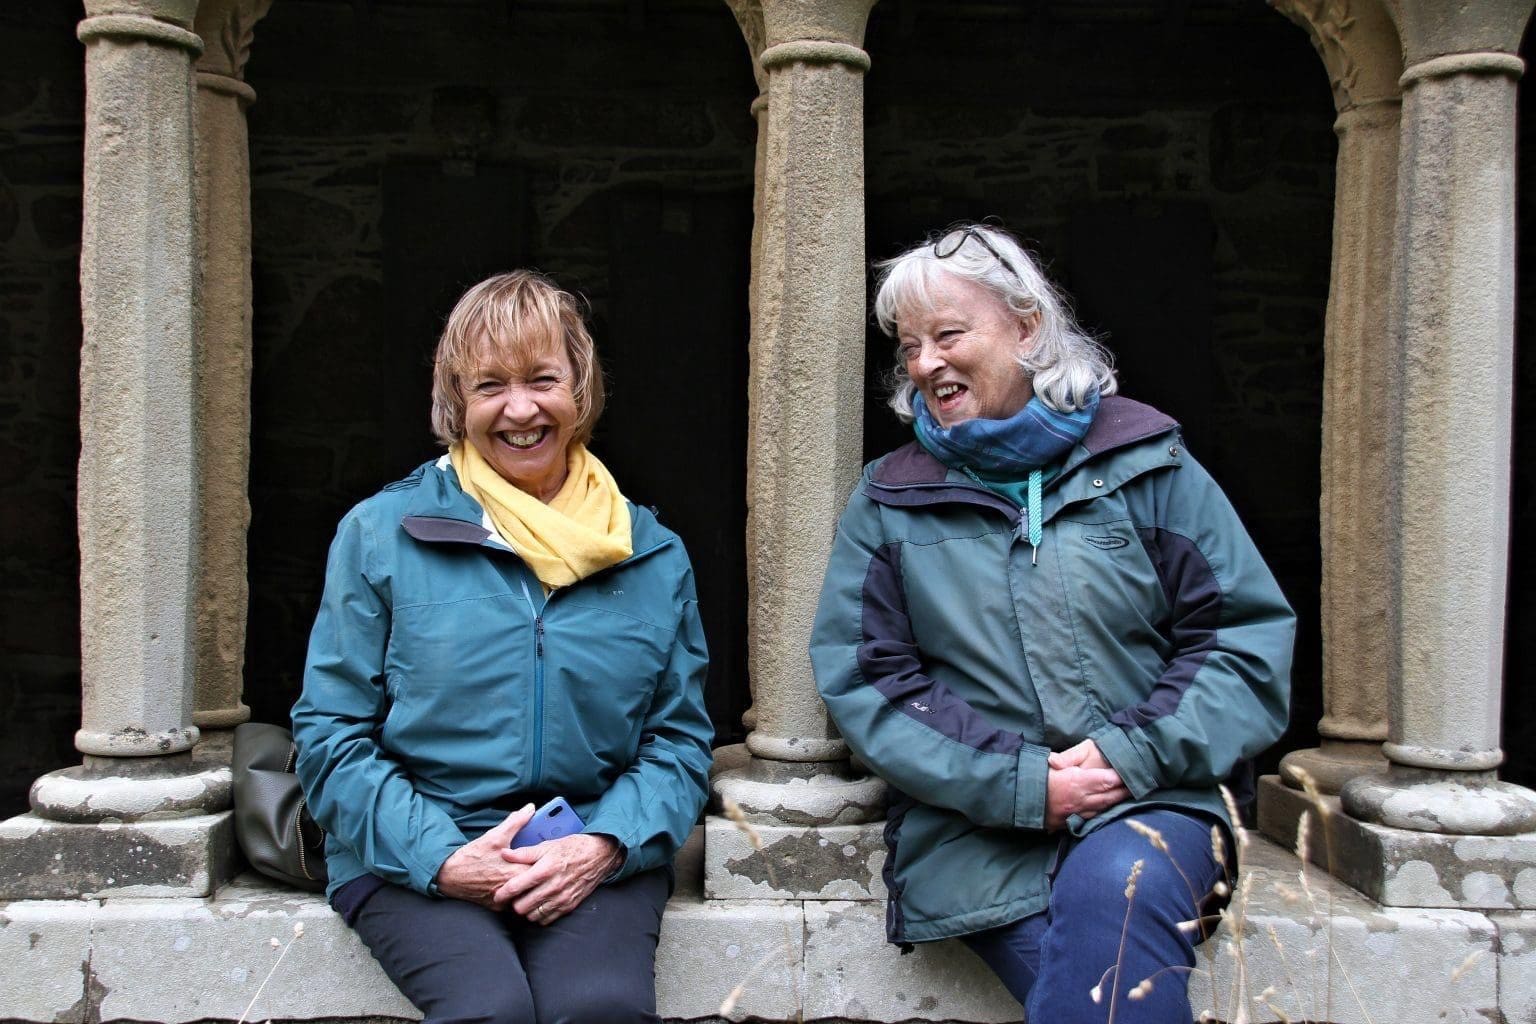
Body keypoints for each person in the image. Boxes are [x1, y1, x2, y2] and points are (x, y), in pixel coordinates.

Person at [810, 224, 1294, 1022]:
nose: (926, 363)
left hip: (1151, 799)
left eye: (948, 334)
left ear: (1028, 327)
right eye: (910, 347)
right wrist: (1028, 784)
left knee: (1112, 898)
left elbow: (1241, 643)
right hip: (976, 832)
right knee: (1101, 988)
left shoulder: (1149, 464)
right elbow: (869, 680)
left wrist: (1126, 754)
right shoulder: (890, 499)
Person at [291, 270, 713, 1024]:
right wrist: (441, 858)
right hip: (412, 843)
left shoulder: (652, 552)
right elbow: (330, 735)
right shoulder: (382, 534)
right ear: (456, 403)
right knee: (489, 1009)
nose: (520, 409)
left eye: (543, 379)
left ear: (580, 390)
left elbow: (678, 740)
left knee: (601, 1008)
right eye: (490, 386)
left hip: (584, 843)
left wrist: (605, 844)